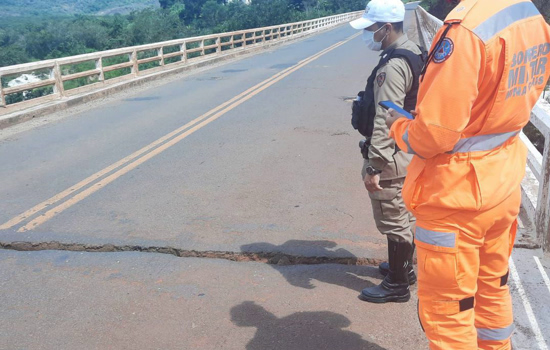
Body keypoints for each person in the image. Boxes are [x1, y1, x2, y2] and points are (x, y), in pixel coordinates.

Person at [386, 0, 550, 348]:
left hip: (457, 197)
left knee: (450, 312)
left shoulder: (466, 30)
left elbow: (434, 135)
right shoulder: (530, 15)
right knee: (492, 289)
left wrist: (399, 126)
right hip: (503, 183)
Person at [349, 0, 426, 303]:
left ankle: (397, 284)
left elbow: (385, 116)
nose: (369, 33)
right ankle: (403, 269)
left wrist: (374, 165)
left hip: (393, 155)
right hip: (410, 150)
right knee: (404, 213)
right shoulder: (415, 52)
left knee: (392, 216)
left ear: (386, 28)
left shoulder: (394, 65)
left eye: (371, 28)